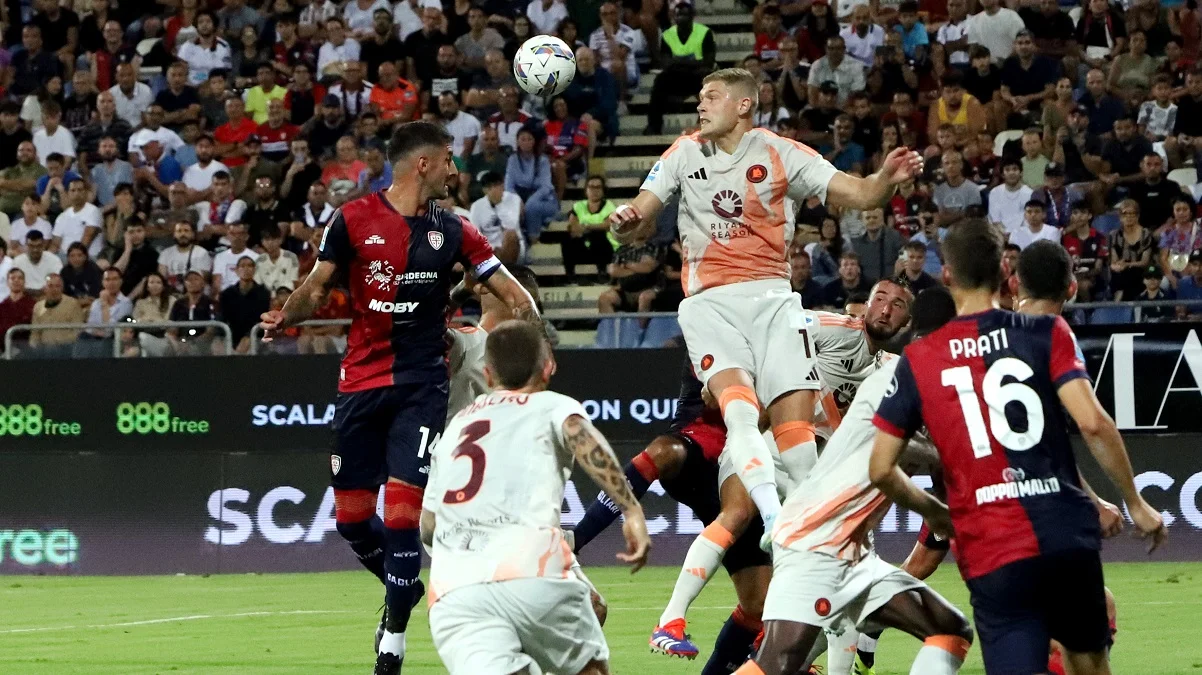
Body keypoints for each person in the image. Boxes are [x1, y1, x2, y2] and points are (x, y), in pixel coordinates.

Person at [257, 121, 541, 675]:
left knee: (403, 510)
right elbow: (317, 287)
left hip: (421, 384)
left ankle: (394, 640)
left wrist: (533, 333)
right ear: (423, 164)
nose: (456, 171)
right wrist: (285, 317)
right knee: (352, 519)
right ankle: (403, 587)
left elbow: (511, 290)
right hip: (360, 382)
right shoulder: (352, 218)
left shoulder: (456, 230)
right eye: (449, 161)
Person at [609, 72, 922, 558]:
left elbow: (860, 194)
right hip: (711, 303)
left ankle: (824, 549)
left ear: (743, 105)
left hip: (775, 302)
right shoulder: (684, 152)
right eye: (700, 97)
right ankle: (775, 518)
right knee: (739, 413)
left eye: (711, 97)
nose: (700, 106)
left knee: (800, 449)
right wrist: (624, 222)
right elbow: (639, 214)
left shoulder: (781, 153)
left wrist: (885, 179)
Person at [869, 219, 1166, 675]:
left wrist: (936, 513)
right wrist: (1135, 502)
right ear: (1006, 276)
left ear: (946, 276)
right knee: (1089, 662)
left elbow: (880, 469)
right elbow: (1092, 423)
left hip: (990, 548)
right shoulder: (1046, 332)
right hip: (1064, 534)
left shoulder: (919, 360)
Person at [742, 288, 972, 675]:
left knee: (950, 629)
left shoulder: (919, 376)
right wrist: (936, 503)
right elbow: (888, 463)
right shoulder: (901, 377)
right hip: (817, 538)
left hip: (852, 552)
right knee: (778, 663)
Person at [423, 320, 650, 675]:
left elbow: (428, 525)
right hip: (531, 573)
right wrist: (631, 510)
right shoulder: (551, 405)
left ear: (487, 374)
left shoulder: (456, 428)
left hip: (454, 592)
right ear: (548, 367)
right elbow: (579, 434)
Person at [645, 0, 715, 136]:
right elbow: (665, 63)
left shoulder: (705, 32)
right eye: (678, 15)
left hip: (697, 76)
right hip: (676, 76)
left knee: (710, 81)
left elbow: (708, 62)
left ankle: (705, 125)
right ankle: (653, 126)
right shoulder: (667, 35)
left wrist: (678, 61)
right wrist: (692, 62)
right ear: (674, 17)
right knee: (659, 81)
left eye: (685, 15)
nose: (681, 18)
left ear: (692, 16)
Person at [506, 128, 559, 243]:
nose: (526, 142)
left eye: (529, 139)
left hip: (544, 199)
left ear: (534, 141)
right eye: (523, 139)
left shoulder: (543, 160)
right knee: (511, 208)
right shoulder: (512, 160)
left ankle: (533, 239)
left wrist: (530, 202)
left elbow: (546, 186)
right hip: (521, 197)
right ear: (517, 142)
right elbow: (508, 186)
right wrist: (518, 201)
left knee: (532, 207)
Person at [561, 175, 616, 279]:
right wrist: (584, 229)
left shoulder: (609, 206)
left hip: (605, 249)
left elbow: (607, 225)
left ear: (603, 190)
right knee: (567, 239)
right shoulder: (578, 206)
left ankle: (602, 272)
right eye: (591, 187)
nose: (594, 190)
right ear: (586, 190)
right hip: (585, 246)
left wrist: (587, 227)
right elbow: (573, 226)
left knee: (597, 235)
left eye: (598, 187)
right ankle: (570, 274)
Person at [467, 171, 522, 265]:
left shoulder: (513, 199)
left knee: (510, 234)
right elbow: (475, 234)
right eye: (490, 187)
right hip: (490, 248)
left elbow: (511, 225)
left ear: (503, 186)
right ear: (484, 190)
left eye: (497, 186)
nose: (495, 190)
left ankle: (505, 268)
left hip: (513, 246)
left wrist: (498, 204)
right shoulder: (477, 206)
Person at [219, 256, 271, 353]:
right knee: (216, 344)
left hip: (256, 336)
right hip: (231, 335)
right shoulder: (227, 294)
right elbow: (222, 318)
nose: (246, 269)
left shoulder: (263, 293)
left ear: (254, 270)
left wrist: (249, 336)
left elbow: (263, 320)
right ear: (236, 270)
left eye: (249, 266)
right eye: (242, 266)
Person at [29, 272, 84, 357]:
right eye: (50, 286)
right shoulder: (38, 306)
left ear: (62, 288)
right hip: (43, 352)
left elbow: (77, 331)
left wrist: (59, 344)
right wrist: (34, 347)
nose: (54, 289)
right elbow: (35, 333)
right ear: (44, 288)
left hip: (66, 350)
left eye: (57, 286)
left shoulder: (73, 304)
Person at [158, 220, 213, 294]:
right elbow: (162, 278)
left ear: (193, 234)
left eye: (186, 231)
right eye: (179, 231)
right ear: (174, 235)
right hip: (172, 294)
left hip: (196, 294)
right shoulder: (165, 253)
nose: (183, 234)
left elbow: (203, 279)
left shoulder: (202, 253)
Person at [851, 207, 903, 283]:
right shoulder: (857, 244)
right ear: (862, 220)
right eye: (867, 218)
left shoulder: (895, 238)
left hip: (892, 284)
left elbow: (903, 263)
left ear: (882, 220)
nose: (871, 220)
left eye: (875, 217)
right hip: (866, 287)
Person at [988, 157, 1033, 238]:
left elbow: (1028, 221)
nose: (1011, 173)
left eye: (1015, 169)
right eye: (1007, 170)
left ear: (1021, 173)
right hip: (1000, 235)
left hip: (1022, 236)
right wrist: (1004, 234)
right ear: (1002, 174)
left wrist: (1014, 236)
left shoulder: (1029, 193)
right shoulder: (995, 193)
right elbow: (995, 220)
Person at [0, 268, 37, 354]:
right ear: (7, 282)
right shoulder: (2, 307)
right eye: (12, 278)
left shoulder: (33, 305)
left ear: (24, 282)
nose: (16, 281)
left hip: (27, 351)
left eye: (20, 278)